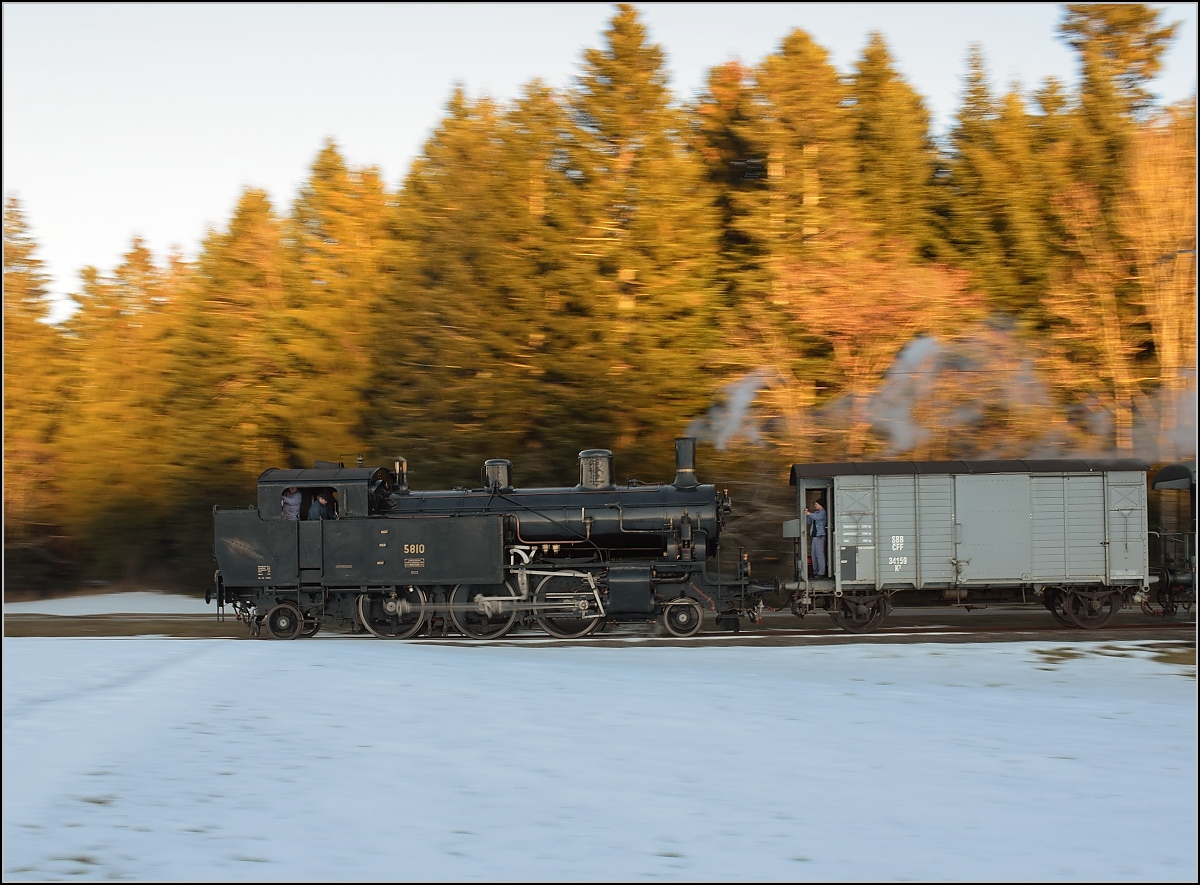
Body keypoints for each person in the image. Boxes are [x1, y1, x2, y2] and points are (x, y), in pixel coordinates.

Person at [804, 499, 828, 577]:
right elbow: (809, 521)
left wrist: (809, 513)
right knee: (813, 554)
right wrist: (807, 515)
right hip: (814, 536)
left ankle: (821, 572)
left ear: (821, 505)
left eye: (816, 504)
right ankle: (815, 571)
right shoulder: (814, 513)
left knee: (819, 554)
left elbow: (818, 518)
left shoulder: (823, 513)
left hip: (820, 536)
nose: (815, 505)